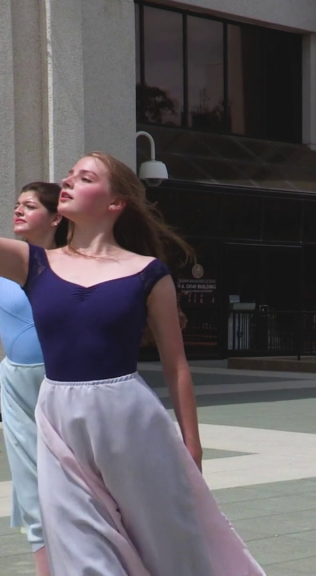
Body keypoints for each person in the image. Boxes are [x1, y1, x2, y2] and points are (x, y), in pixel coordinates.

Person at [0, 153, 264, 575]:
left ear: (115, 202)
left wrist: (192, 447)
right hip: (57, 420)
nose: (67, 182)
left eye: (83, 178)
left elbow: (177, 366)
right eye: (68, 176)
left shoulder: (148, 273)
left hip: (130, 421)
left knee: (170, 550)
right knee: (82, 555)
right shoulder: (33, 263)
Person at [0, 182, 68, 576]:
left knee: (75, 483)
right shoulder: (4, 263)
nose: (18, 211)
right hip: (14, 384)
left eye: (30, 205)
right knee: (29, 486)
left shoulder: (69, 264)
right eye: (16, 205)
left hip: (62, 382)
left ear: (56, 217)